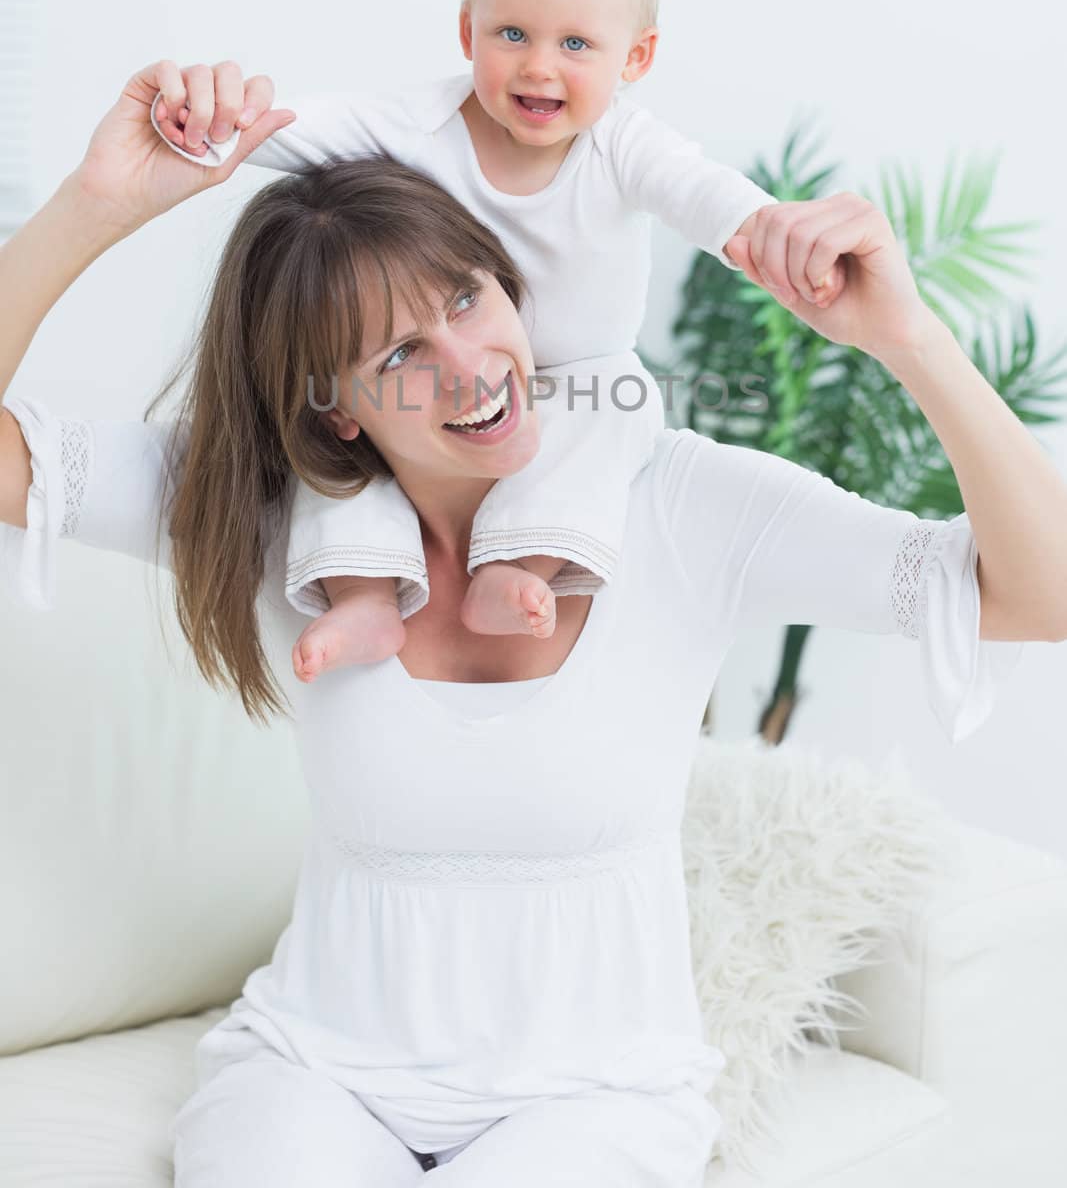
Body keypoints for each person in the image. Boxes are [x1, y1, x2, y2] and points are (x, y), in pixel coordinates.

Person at [2, 62, 1064, 1187]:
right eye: (400, 355)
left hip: (593, 1102)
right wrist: (99, 203)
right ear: (334, 409)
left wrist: (907, 339)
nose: (469, 367)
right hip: (317, 1071)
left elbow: (1034, 596)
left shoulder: (674, 501)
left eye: (466, 296)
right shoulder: (274, 512)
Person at [147, 0, 845, 688]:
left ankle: (525, 568)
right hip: (438, 389)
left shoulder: (623, 144)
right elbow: (303, 130)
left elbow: (699, 190)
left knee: (613, 418)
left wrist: (764, 232)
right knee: (352, 456)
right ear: (466, 30)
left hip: (582, 376)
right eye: (511, 33)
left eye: (576, 44)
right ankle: (365, 591)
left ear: (637, 57)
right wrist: (207, 126)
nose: (539, 67)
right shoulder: (419, 127)